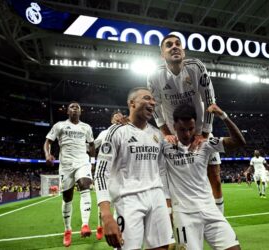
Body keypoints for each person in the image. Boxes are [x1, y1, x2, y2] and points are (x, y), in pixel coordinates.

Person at [147, 34, 225, 214]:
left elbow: (210, 101)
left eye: (178, 44)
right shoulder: (154, 75)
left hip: (198, 130)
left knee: (215, 176)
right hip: (174, 134)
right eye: (168, 45)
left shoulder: (196, 67)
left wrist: (204, 135)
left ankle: (221, 217)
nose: (174, 47)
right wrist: (166, 132)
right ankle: (174, 221)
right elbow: (155, 107)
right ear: (162, 54)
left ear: (183, 50)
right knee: (170, 179)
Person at [94, 87, 174, 249]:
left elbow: (162, 171)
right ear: (131, 103)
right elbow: (101, 173)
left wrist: (167, 204)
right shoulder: (115, 132)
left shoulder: (157, 135)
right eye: (147, 98)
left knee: (163, 247)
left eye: (153, 100)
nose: (152, 102)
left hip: (156, 196)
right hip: (128, 200)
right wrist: (106, 214)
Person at [163, 103, 245, 249]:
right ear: (174, 126)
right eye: (182, 129)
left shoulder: (204, 144)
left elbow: (239, 141)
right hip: (184, 215)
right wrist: (120, 121)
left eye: (190, 129)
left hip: (210, 210)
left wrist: (222, 115)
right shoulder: (164, 146)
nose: (187, 134)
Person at [43, 101, 95, 247]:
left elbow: (91, 145)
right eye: (71, 107)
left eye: (77, 107)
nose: (74, 109)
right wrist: (48, 154)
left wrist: (92, 161)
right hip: (65, 165)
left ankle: (85, 225)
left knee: (85, 185)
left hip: (82, 162)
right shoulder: (59, 125)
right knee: (67, 197)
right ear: (67, 111)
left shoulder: (86, 127)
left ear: (80, 111)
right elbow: (47, 142)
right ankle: (68, 230)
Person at [93, 110, 128, 240]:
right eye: (115, 116)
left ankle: (119, 233)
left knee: (118, 208)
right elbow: (92, 146)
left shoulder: (127, 130)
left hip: (122, 176)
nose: (118, 117)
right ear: (111, 120)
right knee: (105, 203)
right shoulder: (105, 133)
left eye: (120, 115)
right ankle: (100, 226)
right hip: (107, 173)